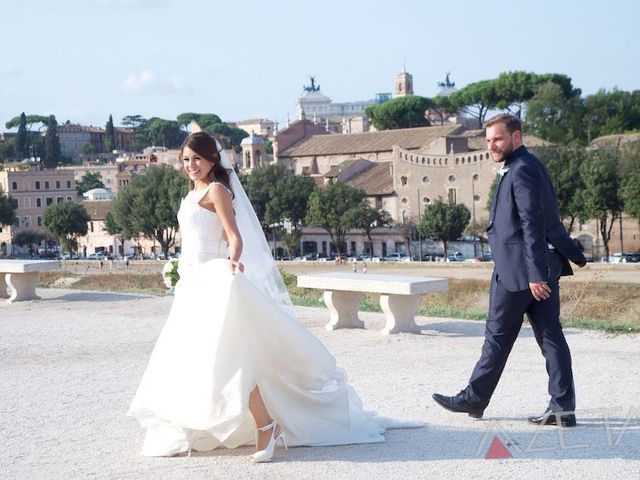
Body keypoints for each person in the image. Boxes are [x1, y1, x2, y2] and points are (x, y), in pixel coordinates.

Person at [128, 132, 418, 463]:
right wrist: (178, 269)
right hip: (192, 285)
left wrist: (233, 260)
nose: (191, 165)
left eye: (197, 158)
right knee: (195, 357)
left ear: (212, 160)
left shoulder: (217, 190)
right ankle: (192, 426)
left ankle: (267, 425)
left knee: (230, 356)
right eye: (185, 159)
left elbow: (234, 237)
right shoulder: (190, 195)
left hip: (214, 282)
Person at [432, 114, 586, 427]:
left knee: (497, 337)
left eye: (498, 139)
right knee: (551, 336)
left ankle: (474, 399)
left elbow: (532, 224)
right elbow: (547, 222)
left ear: (516, 137)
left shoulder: (522, 169)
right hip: (536, 267)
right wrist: (562, 259)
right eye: (488, 140)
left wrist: (534, 274)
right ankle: (562, 408)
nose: (492, 145)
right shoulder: (528, 165)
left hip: (520, 272)